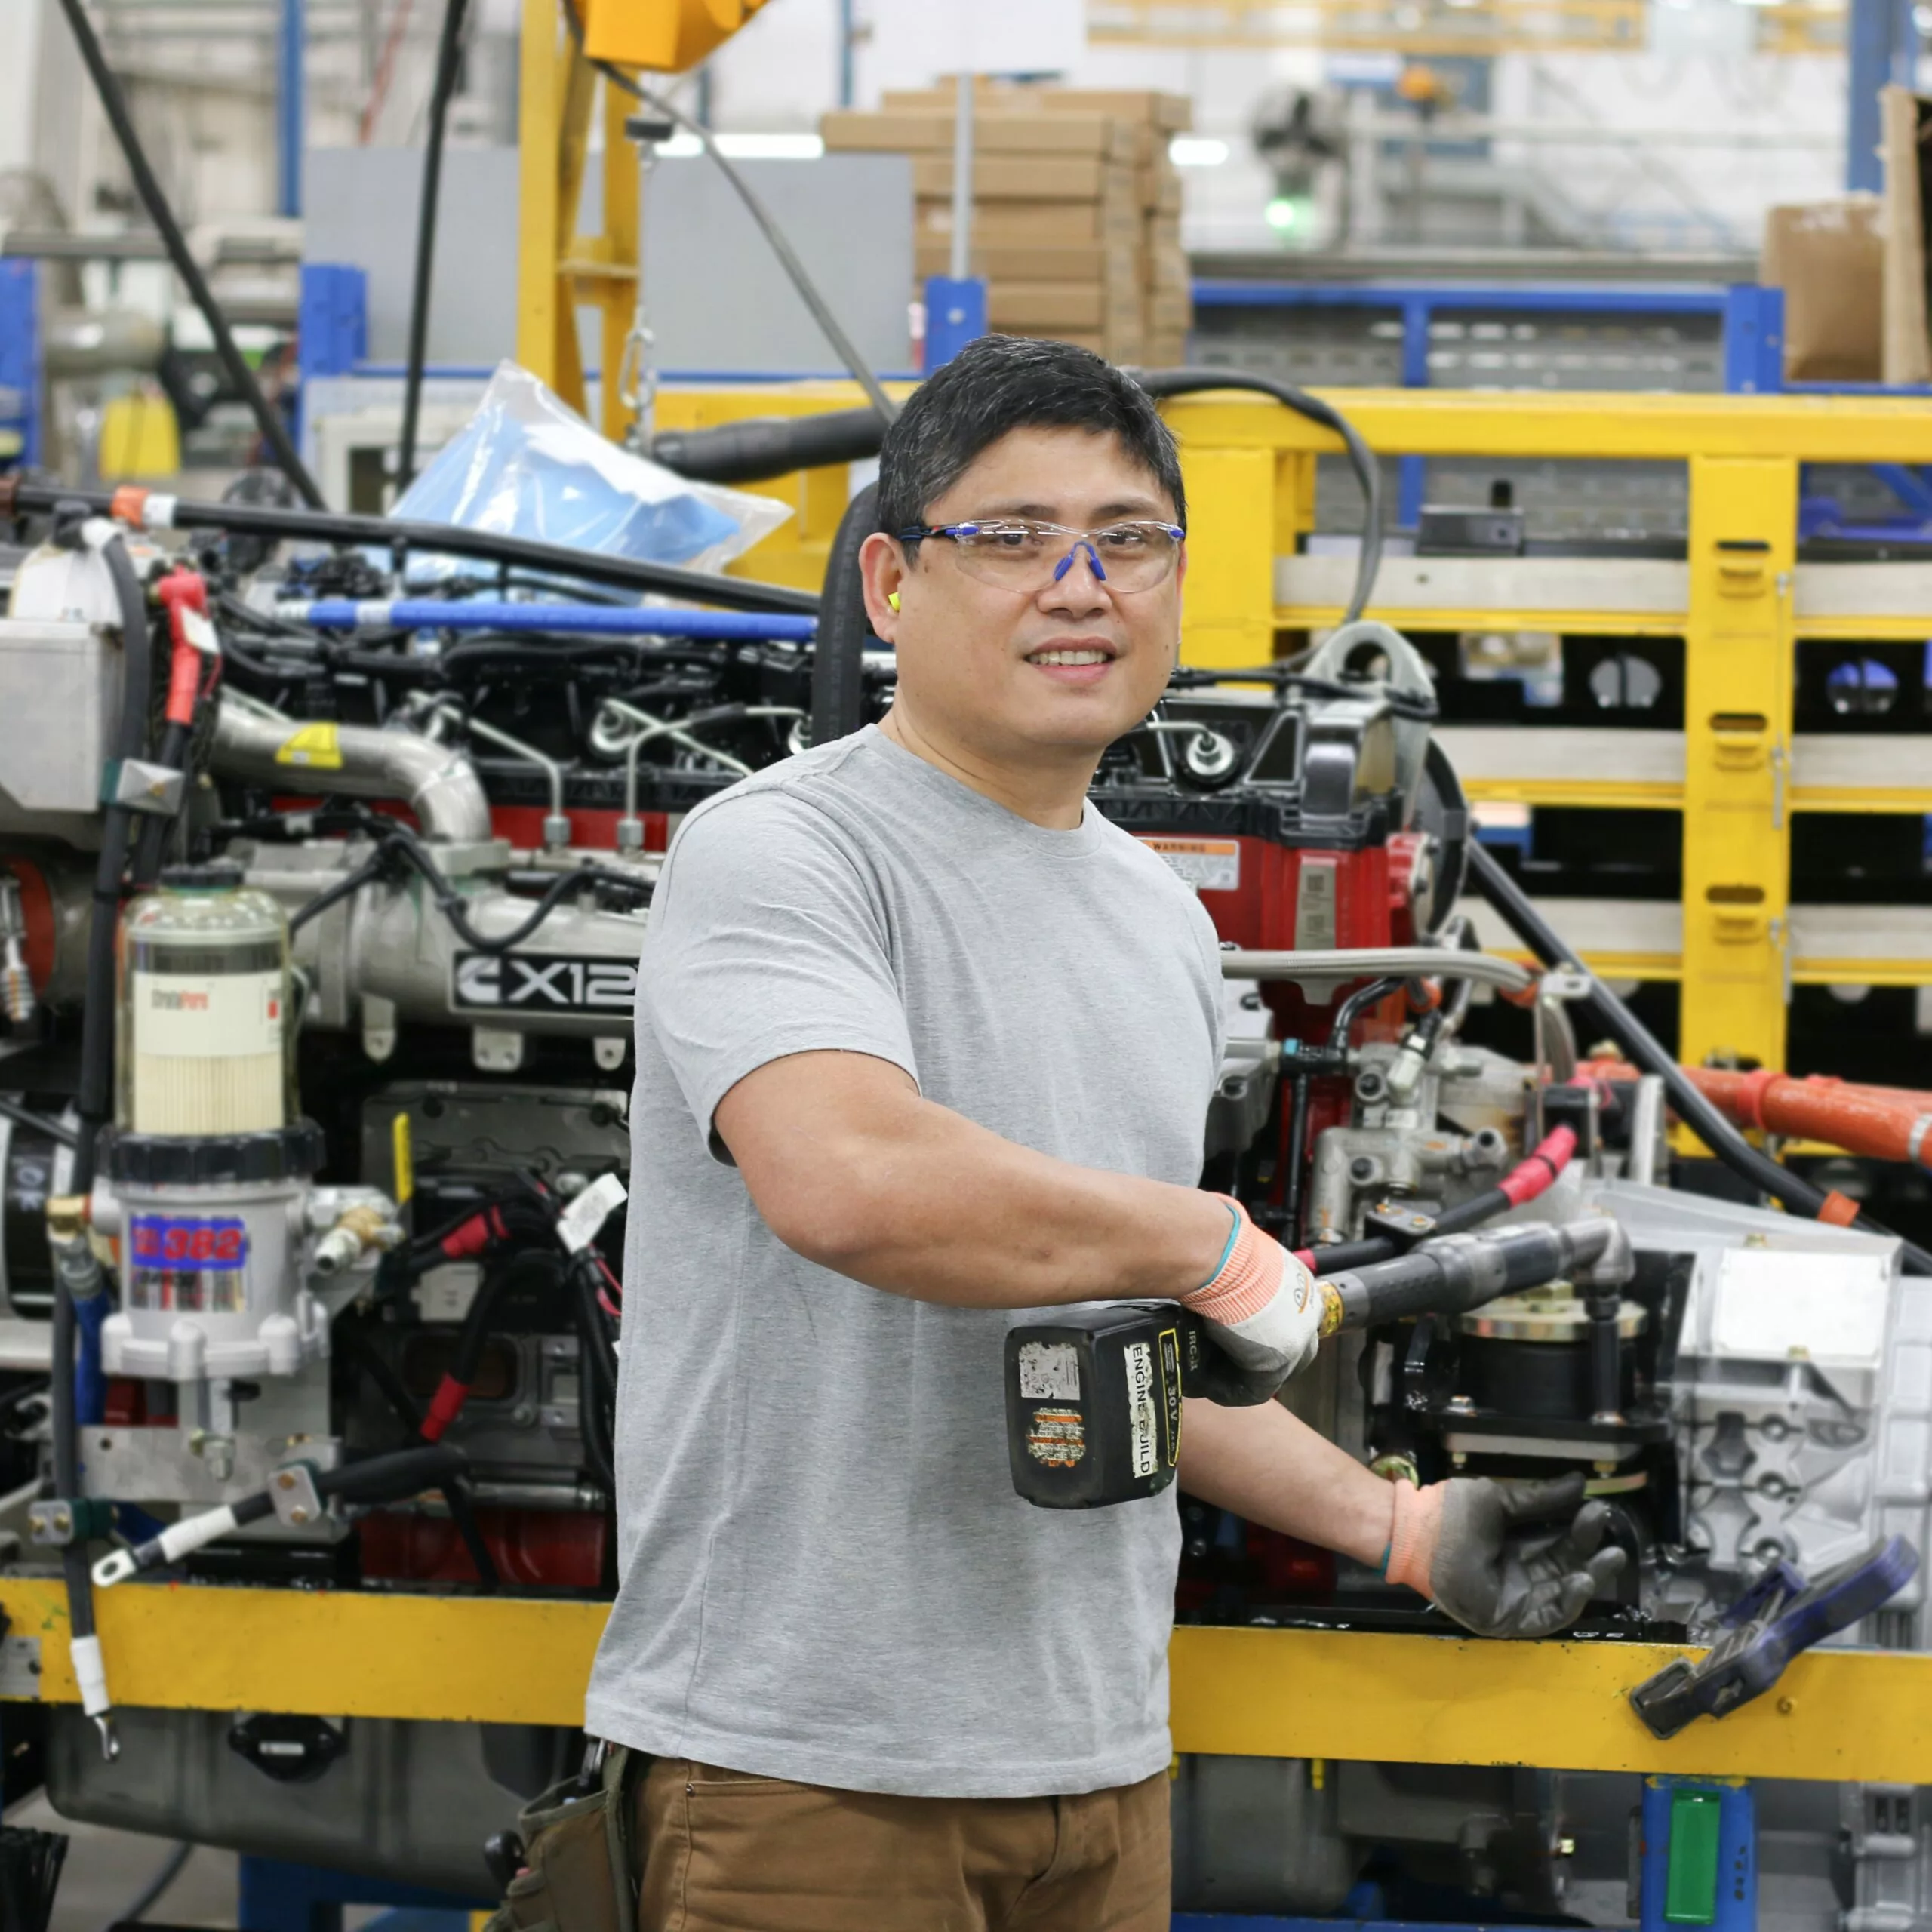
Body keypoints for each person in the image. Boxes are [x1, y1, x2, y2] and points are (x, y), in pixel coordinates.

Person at [584, 333, 1623, 1932]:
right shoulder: (784, 852)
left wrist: (1398, 1524)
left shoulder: (1158, 918)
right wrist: (1204, 1240)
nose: (1078, 587)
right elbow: (847, 1180)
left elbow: (1112, 1344)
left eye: (1126, 540)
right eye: (1012, 538)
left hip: (1097, 1767)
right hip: (812, 1768)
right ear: (889, 585)